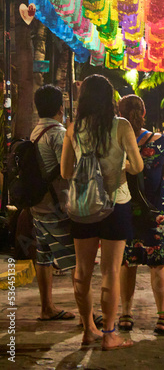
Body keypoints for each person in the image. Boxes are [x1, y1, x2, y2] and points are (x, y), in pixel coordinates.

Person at [61, 75, 143, 349]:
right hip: (116, 204)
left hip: (84, 204)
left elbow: (64, 172)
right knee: (110, 271)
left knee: (82, 272)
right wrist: (122, 169)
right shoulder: (121, 126)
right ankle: (109, 335)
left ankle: (88, 329)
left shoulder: (73, 128)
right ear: (110, 98)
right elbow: (138, 165)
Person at [118, 95, 164, 336]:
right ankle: (163, 318)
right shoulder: (160, 141)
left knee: (126, 264)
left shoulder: (117, 141)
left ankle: (126, 315)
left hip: (125, 208)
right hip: (155, 211)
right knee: (158, 265)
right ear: (143, 113)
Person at [30, 84, 76, 322]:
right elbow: (67, 171)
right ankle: (87, 316)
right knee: (77, 260)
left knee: (44, 256)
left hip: (38, 205)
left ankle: (47, 307)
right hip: (57, 206)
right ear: (61, 107)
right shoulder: (57, 133)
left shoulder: (35, 130)